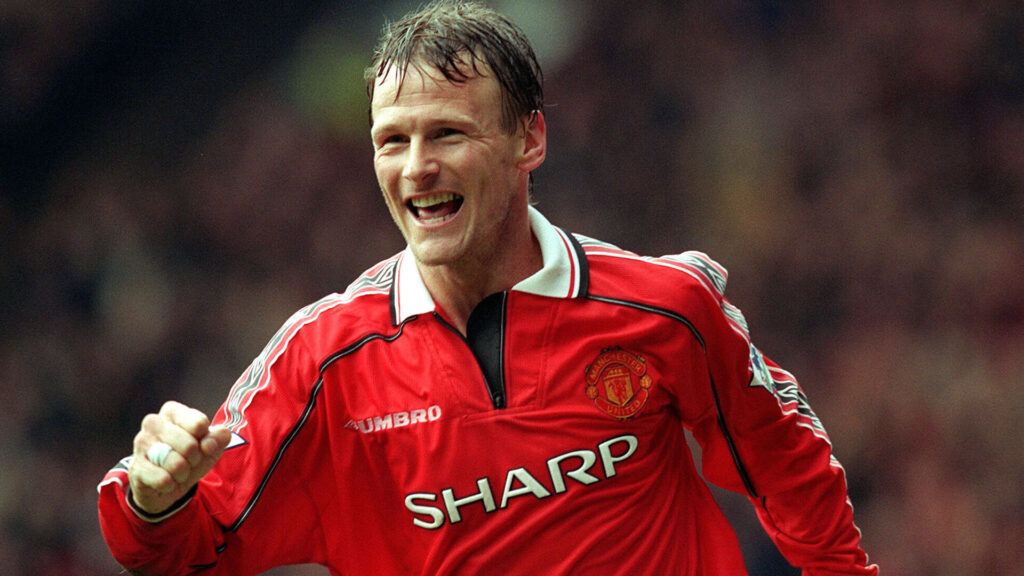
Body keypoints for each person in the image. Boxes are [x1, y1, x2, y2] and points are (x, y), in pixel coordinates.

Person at [97, 1, 878, 574]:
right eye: (392, 141)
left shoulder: (663, 308)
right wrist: (154, 498)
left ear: (527, 138)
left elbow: (786, 456)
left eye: (447, 133)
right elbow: (181, 547)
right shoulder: (323, 362)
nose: (416, 167)